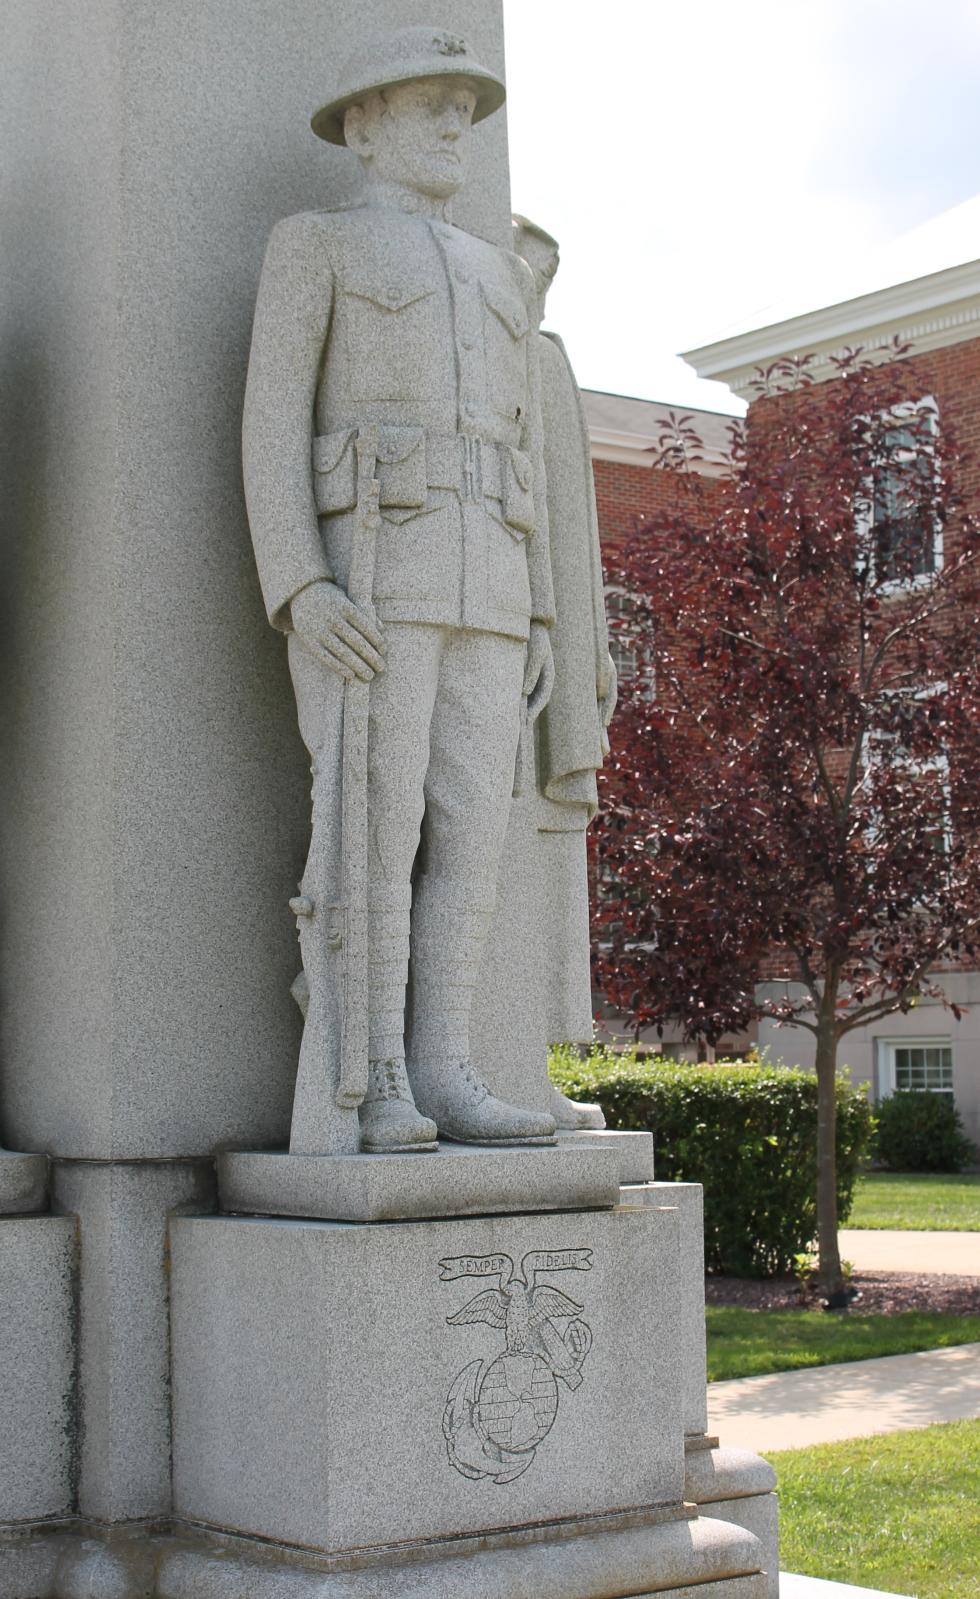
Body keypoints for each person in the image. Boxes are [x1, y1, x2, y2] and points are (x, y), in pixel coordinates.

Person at [243, 27, 558, 1153]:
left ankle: (445, 1064)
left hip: (488, 575)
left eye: (464, 111)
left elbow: (523, 449)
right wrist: (298, 583)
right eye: (432, 105)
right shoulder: (314, 245)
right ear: (365, 122)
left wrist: (540, 614)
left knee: (473, 830)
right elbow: (269, 422)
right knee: (369, 822)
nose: (453, 128)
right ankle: (370, 1065)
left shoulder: (493, 272)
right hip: (374, 576)